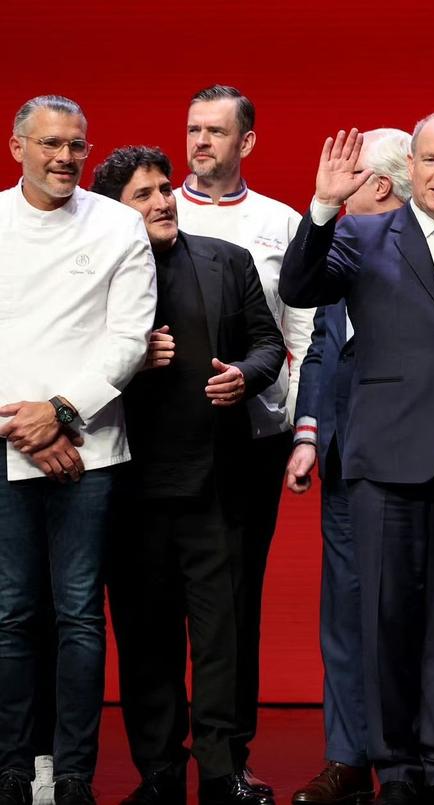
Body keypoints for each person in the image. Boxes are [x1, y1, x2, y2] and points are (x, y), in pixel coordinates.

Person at [280, 114, 434, 805]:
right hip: (387, 461)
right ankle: (396, 770)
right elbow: (299, 287)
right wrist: (322, 207)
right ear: (410, 168)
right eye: (431, 160)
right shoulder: (361, 235)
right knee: (385, 620)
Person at [90, 146, 284, 805]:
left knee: (222, 634)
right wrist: (129, 356)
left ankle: (224, 770)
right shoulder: (98, 273)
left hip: (218, 483)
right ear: (115, 212)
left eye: (165, 188)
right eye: (142, 195)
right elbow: (70, 356)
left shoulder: (228, 259)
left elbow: (268, 342)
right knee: (146, 636)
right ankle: (159, 772)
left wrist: (246, 374)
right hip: (129, 485)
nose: (163, 201)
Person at [0, 95, 156, 805]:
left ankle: (71, 774)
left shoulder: (118, 224)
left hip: (89, 448)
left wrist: (60, 414)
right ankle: (11, 768)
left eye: (77, 146)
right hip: (8, 443)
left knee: (79, 616)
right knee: (11, 614)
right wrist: (25, 427)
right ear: (18, 147)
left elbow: (129, 338)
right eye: (51, 144)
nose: (65, 158)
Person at [173, 84, 313, 792]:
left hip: (253, 438)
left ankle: (229, 753)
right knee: (158, 600)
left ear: (246, 142)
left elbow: (301, 334)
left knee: (235, 600)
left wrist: (301, 427)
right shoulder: (150, 213)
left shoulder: (281, 223)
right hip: (163, 443)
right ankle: (162, 759)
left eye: (216, 131)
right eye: (194, 129)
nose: (201, 142)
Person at [285, 127, 411, 805]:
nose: (339, 183)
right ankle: (347, 758)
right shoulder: (338, 252)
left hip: (413, 461)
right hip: (343, 461)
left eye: (351, 175)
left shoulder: (429, 252)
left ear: (380, 185)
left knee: (407, 616)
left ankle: (410, 763)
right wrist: (309, 434)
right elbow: (320, 347)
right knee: (345, 615)